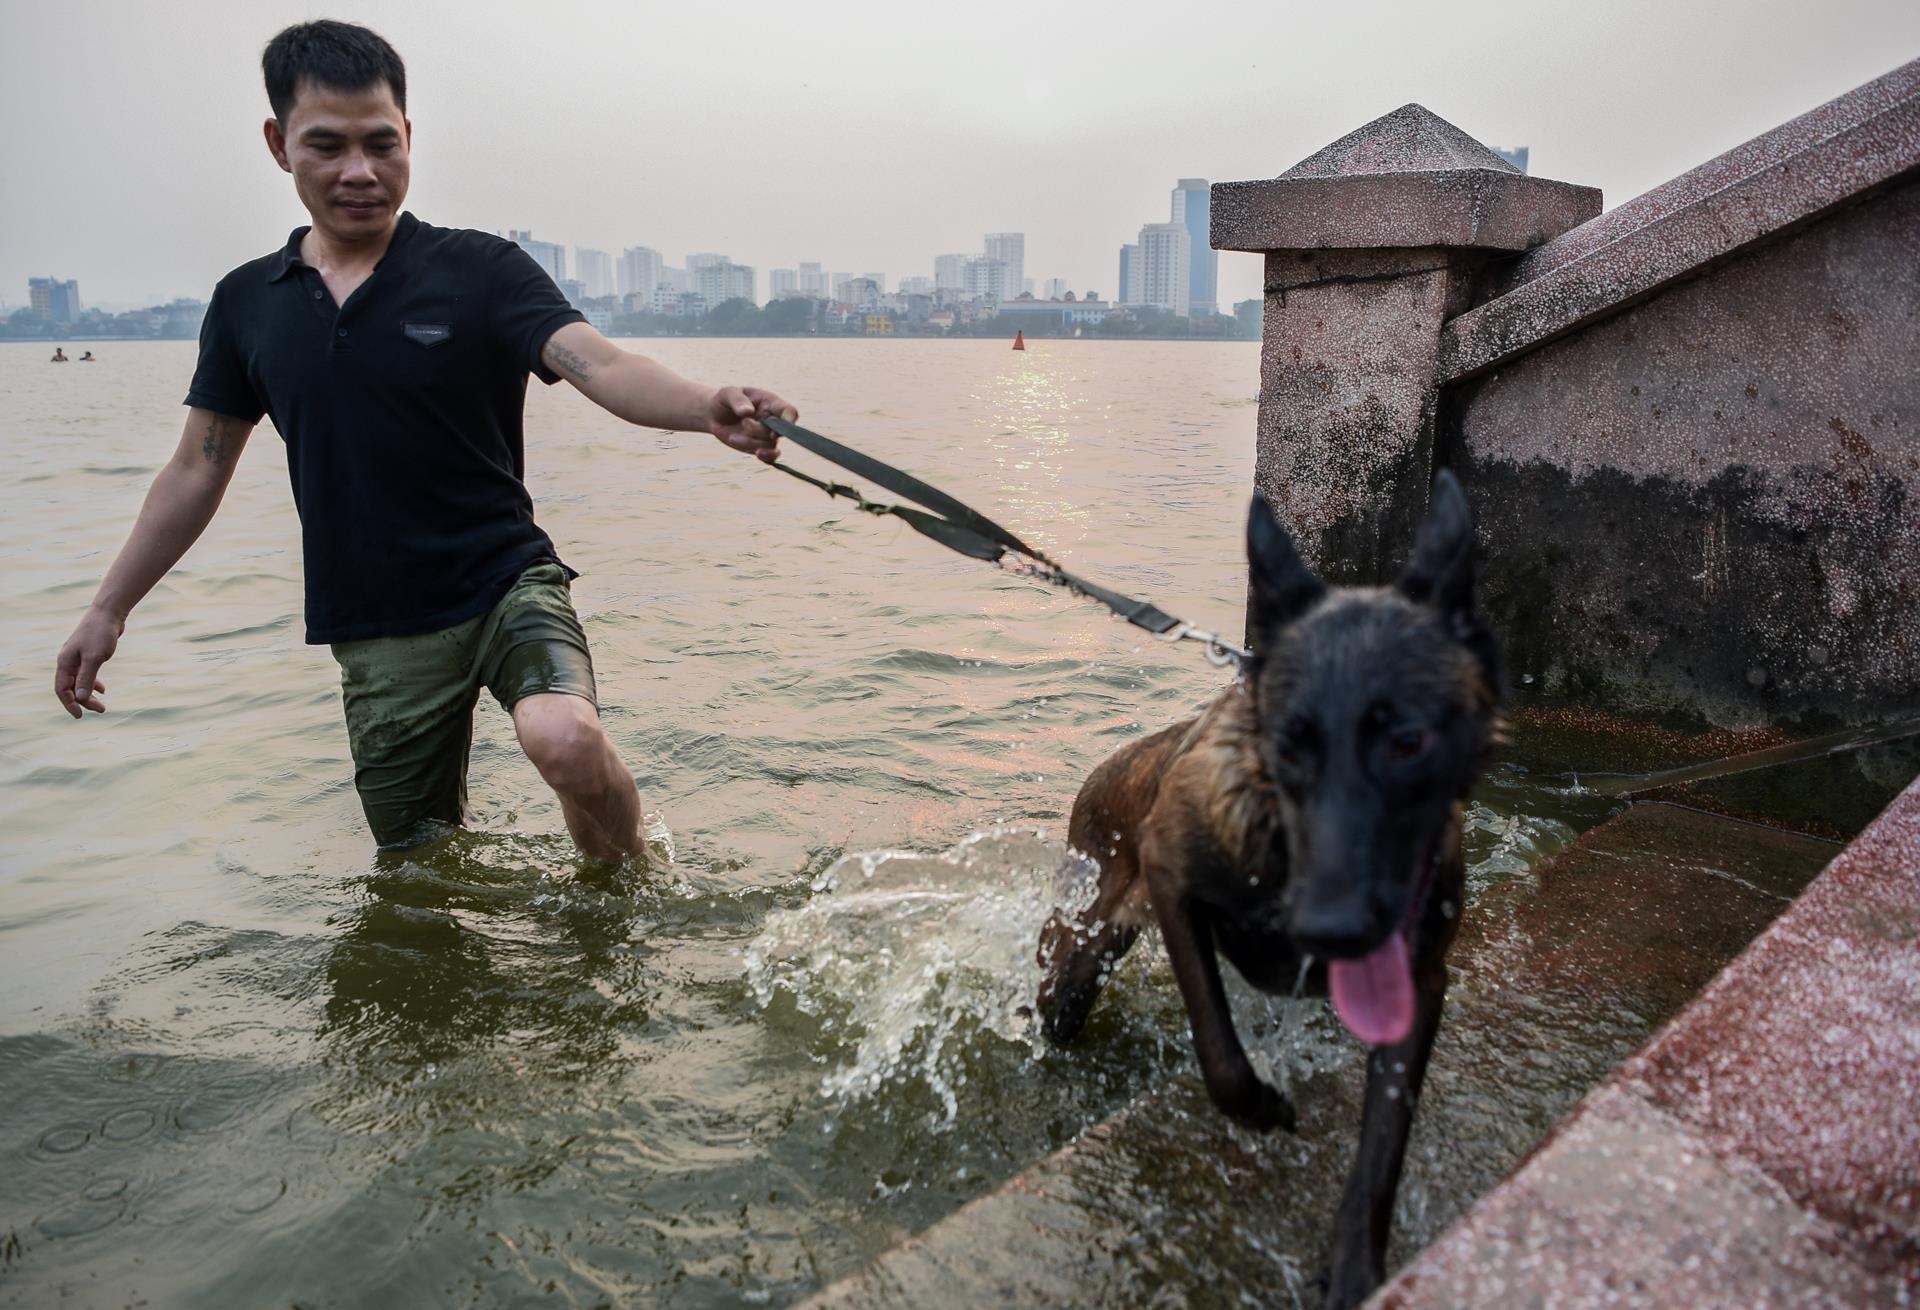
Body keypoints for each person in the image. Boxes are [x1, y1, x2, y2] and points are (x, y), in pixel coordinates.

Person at [53, 20, 798, 862]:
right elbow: (196, 467)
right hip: (376, 621)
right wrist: (109, 609)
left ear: (409, 136)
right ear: (277, 144)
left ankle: (629, 894)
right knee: (416, 867)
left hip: (505, 579)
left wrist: (710, 406)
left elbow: (599, 363)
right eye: (327, 147)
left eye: (381, 143)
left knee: (564, 737)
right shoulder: (247, 305)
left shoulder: (480, 270)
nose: (360, 172)